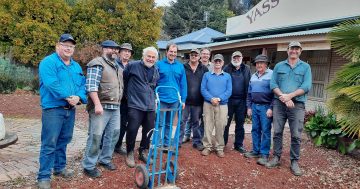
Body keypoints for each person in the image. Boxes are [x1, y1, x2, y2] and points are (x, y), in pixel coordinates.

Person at [37, 34, 87, 189]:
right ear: (57, 46)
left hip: (70, 110)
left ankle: (59, 168)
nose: (68, 48)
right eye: (65, 45)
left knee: (64, 140)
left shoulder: (76, 66)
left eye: (71, 46)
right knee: (49, 143)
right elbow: (52, 84)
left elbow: (83, 85)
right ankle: (44, 176)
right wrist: (68, 97)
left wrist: (79, 97)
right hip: (53, 109)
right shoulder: (48, 62)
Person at [266, 41, 312, 176]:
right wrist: (283, 97)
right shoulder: (279, 66)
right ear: (287, 50)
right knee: (277, 132)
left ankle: (294, 161)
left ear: (300, 51)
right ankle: (276, 157)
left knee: (296, 135)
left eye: (297, 49)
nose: (294, 51)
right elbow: (273, 84)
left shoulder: (306, 67)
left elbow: (307, 85)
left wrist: (290, 96)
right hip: (279, 104)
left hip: (297, 105)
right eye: (292, 48)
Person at [82, 40, 123, 178]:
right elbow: (91, 86)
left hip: (115, 107)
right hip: (101, 106)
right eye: (111, 48)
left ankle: (105, 159)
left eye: (116, 49)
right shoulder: (97, 63)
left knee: (114, 134)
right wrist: (97, 104)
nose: (114, 51)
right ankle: (89, 165)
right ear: (104, 49)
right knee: (95, 136)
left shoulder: (116, 66)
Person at [123, 47, 160, 167]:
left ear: (156, 59)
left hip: (149, 105)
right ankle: (129, 152)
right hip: (135, 104)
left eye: (153, 57)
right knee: (132, 129)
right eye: (148, 56)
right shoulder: (132, 66)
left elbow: (155, 86)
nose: (150, 59)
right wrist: (128, 96)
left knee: (149, 130)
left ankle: (143, 151)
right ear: (143, 56)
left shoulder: (156, 69)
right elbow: (125, 80)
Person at [244, 54, 274, 166]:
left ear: (266, 64)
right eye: (257, 63)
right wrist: (249, 107)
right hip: (255, 106)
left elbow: (275, 94)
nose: (259, 65)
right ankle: (256, 151)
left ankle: (264, 154)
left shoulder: (272, 75)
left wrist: (271, 108)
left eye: (261, 63)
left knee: (265, 130)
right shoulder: (253, 76)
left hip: (266, 107)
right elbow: (249, 93)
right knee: (255, 129)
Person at [201, 54, 232, 158]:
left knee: (221, 126)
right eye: (216, 61)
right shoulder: (207, 75)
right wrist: (211, 98)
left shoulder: (227, 76)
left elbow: (229, 91)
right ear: (213, 62)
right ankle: (207, 147)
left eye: (220, 61)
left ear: (223, 63)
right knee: (208, 125)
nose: (218, 63)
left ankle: (219, 148)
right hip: (208, 104)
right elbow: (203, 89)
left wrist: (219, 99)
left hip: (222, 105)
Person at [157, 43, 187, 147]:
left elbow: (183, 84)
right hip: (161, 99)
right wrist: (154, 98)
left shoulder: (180, 66)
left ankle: (166, 144)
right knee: (159, 123)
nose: (173, 54)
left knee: (169, 124)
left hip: (174, 100)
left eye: (175, 52)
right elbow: (154, 82)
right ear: (166, 52)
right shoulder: (159, 64)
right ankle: (156, 144)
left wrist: (183, 100)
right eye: (171, 51)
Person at [180, 49, 208, 151]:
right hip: (185, 101)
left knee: (196, 122)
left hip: (198, 101)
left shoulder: (204, 69)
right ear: (189, 56)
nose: (194, 56)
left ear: (199, 56)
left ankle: (196, 141)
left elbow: (207, 83)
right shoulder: (183, 67)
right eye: (192, 54)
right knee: (182, 121)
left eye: (196, 55)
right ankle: (178, 142)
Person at [223, 51, 251, 153]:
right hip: (229, 101)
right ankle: (223, 143)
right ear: (232, 58)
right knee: (225, 123)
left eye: (238, 57)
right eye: (234, 57)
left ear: (242, 58)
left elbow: (249, 85)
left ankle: (238, 145)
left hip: (242, 101)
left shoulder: (246, 69)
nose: (236, 59)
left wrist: (248, 103)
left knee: (240, 124)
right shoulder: (227, 68)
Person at [114, 43, 134, 155]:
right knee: (111, 123)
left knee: (124, 124)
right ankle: (103, 146)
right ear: (119, 52)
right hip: (115, 98)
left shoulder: (132, 66)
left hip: (127, 100)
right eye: (125, 51)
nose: (127, 53)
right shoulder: (114, 64)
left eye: (129, 51)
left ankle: (118, 145)